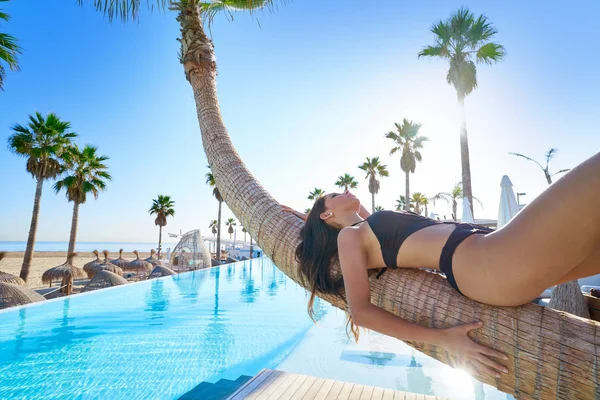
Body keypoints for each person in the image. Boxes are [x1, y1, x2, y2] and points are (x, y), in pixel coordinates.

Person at [282, 151, 600, 379]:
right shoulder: (349, 238)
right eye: (335, 194)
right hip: (488, 262)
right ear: (326, 215)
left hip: (494, 258)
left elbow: (360, 217)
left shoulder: (364, 228)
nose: (347, 190)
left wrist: (305, 216)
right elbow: (361, 313)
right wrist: (443, 338)